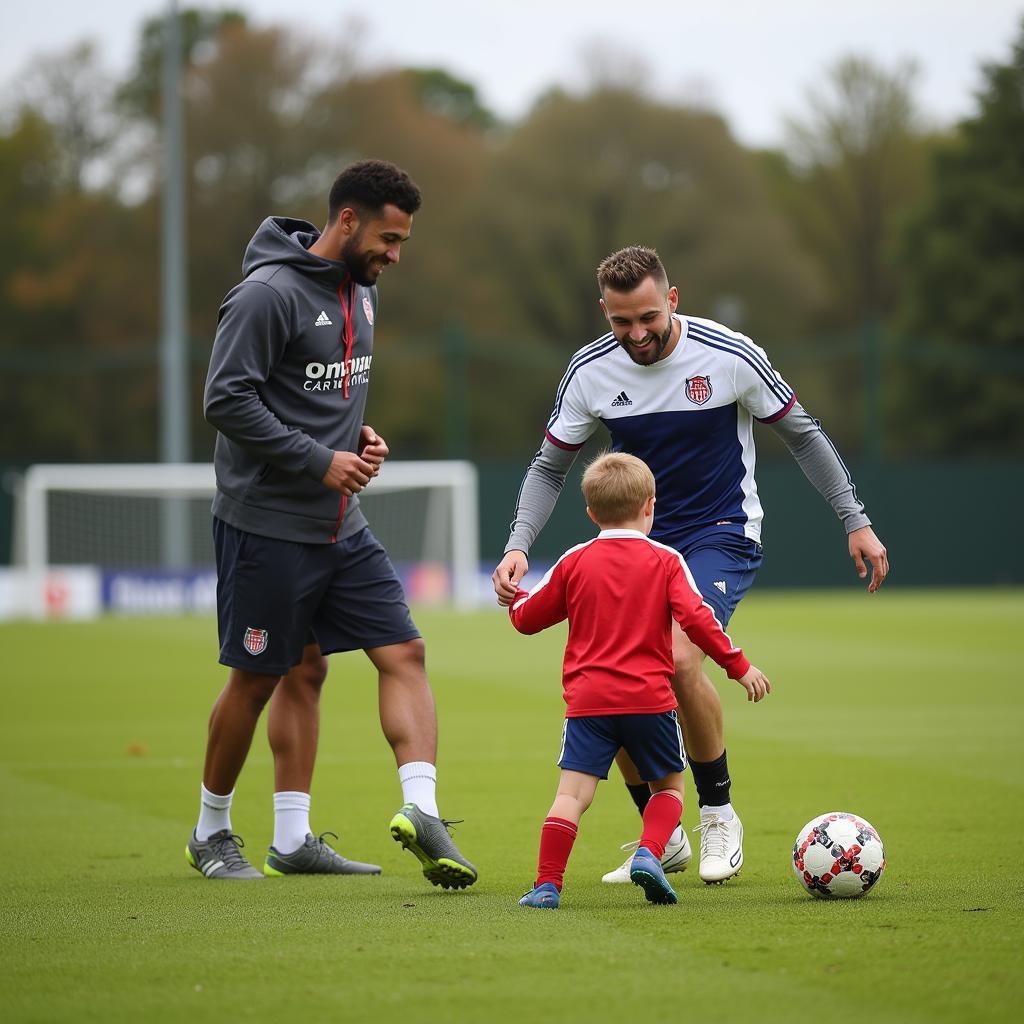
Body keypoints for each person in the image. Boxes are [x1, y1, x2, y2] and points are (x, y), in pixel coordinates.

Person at [493, 245, 888, 885]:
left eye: (649, 317)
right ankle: (663, 834)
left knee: (677, 659)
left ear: (672, 299)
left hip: (719, 534)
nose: (637, 334)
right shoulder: (589, 371)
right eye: (622, 323)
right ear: (605, 313)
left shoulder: (729, 353)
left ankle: (718, 814)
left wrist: (854, 517)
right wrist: (518, 543)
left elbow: (804, 434)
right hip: (637, 540)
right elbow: (548, 467)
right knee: (611, 677)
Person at [187, 159, 477, 889]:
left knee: (401, 651)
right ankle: (210, 831)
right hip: (266, 524)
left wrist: (359, 440)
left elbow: (321, 394)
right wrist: (319, 459)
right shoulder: (265, 295)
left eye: (403, 240)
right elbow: (225, 400)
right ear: (345, 221)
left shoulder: (361, 291)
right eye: (388, 237)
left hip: (341, 522)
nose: (395, 254)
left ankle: (400, 816)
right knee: (258, 677)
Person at [509, 453, 770, 910]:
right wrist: (739, 666)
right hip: (650, 701)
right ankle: (652, 853)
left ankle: (547, 885)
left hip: (588, 705)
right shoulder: (667, 560)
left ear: (591, 513)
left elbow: (527, 620)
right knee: (669, 789)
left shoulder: (575, 561)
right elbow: (699, 621)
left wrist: (512, 600)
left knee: (571, 796)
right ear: (651, 506)